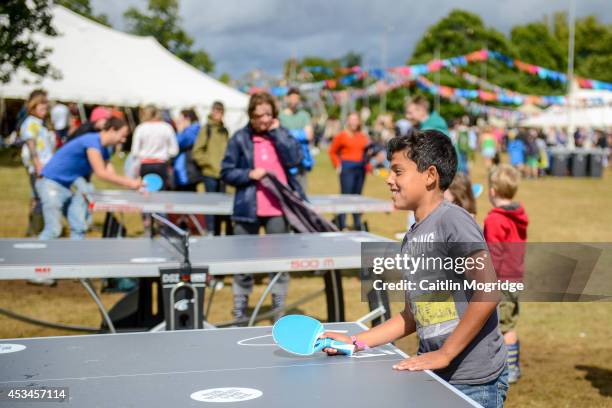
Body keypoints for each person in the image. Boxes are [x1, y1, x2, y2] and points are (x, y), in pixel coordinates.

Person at [321, 129, 508, 408]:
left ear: (430, 175)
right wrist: (355, 341)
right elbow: (412, 315)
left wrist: (445, 353)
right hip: (436, 374)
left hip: (473, 382)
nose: (390, 180)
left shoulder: (453, 221)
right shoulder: (412, 237)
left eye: (398, 171)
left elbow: (488, 293)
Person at [221, 92, 304, 323]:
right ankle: (240, 308)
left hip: (277, 209)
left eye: (268, 114)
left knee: (279, 263)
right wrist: (249, 174)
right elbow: (226, 172)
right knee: (243, 262)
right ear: (251, 116)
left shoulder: (281, 134)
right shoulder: (239, 138)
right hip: (248, 209)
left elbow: (295, 159)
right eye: (259, 116)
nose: (264, 120)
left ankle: (278, 308)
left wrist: (278, 133)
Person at [37, 117, 142, 240]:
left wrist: (135, 185)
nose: (123, 140)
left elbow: (111, 174)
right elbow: (101, 173)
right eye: (122, 135)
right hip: (51, 184)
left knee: (79, 226)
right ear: (112, 130)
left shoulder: (104, 149)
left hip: (67, 186)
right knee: (53, 230)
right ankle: (34, 258)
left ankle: (75, 257)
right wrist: (131, 183)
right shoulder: (92, 142)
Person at [484, 165, 528, 384]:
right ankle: (512, 366)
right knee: (509, 323)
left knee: (504, 326)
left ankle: (510, 369)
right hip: (515, 278)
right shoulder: (517, 216)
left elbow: (493, 254)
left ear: (492, 191)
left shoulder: (494, 219)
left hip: (502, 281)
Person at [19, 91, 55, 238]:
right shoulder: (30, 124)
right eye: (42, 109)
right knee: (41, 199)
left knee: (37, 197)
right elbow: (32, 147)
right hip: (39, 167)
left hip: (46, 166)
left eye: (45, 109)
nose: (44, 112)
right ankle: (36, 231)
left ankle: (34, 230)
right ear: (33, 108)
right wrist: (38, 166)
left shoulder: (40, 124)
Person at [328, 112, 370, 230]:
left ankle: (357, 223)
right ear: (347, 121)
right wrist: (337, 165)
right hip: (347, 167)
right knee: (345, 196)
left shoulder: (362, 136)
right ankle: (342, 223)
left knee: (357, 196)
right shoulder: (341, 136)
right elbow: (332, 151)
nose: (353, 122)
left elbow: (366, 153)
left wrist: (368, 165)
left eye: (356, 119)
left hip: (360, 168)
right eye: (351, 119)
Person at [192, 101, 230, 234]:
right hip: (210, 174)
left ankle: (218, 232)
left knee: (222, 206)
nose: (217, 113)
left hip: (223, 174)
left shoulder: (224, 130)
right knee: (210, 205)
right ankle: (210, 231)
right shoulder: (206, 129)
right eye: (216, 110)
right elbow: (197, 151)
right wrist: (209, 164)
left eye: (220, 111)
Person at [130, 105, 178, 190]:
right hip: (161, 164)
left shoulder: (141, 128)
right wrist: (165, 154)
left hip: (145, 165)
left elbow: (135, 151)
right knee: (161, 193)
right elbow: (174, 150)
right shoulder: (166, 127)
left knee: (145, 191)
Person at [279, 87, 313, 192]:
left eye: (296, 98)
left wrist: (289, 133)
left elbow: (309, 136)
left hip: (301, 159)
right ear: (287, 98)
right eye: (292, 98)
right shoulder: (280, 116)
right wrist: (300, 134)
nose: (294, 101)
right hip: (285, 159)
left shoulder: (304, 115)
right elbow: (279, 137)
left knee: (301, 191)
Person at [173, 109, 202, 192]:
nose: (178, 122)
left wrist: (179, 130)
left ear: (187, 119)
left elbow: (177, 142)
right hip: (185, 171)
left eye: (180, 119)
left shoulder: (193, 130)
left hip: (188, 171)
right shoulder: (190, 130)